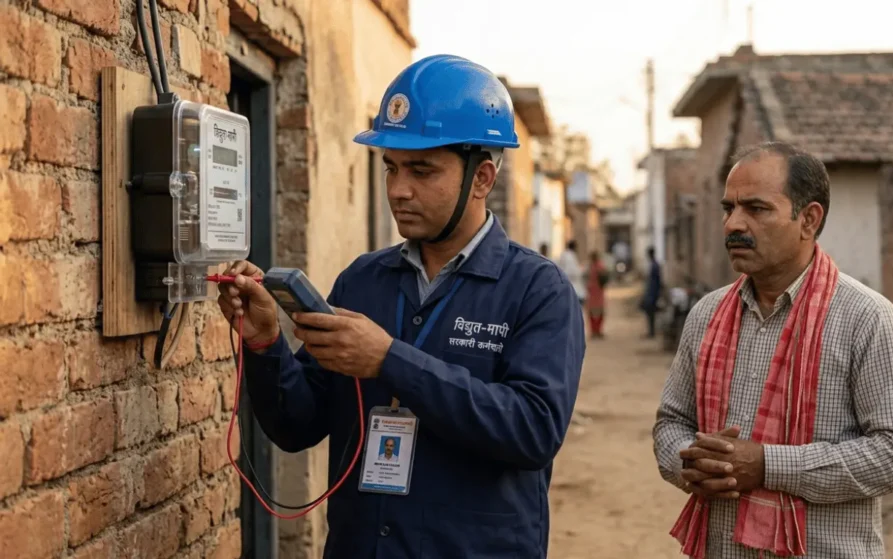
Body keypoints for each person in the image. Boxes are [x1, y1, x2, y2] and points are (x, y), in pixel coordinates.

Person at [218, 54, 586, 559]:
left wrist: (389, 360)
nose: (398, 190)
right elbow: (296, 425)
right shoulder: (362, 280)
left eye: (421, 170)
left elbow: (533, 431)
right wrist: (266, 344)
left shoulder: (538, 290)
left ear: (482, 178)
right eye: (390, 167)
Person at [652, 141, 893, 559]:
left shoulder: (868, 320)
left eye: (756, 209)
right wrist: (692, 464)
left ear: (808, 219)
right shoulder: (706, 315)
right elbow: (672, 422)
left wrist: (768, 465)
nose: (733, 224)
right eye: (729, 208)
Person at [586, 251, 609, 338]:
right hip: (596, 291)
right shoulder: (599, 266)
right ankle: (596, 331)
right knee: (597, 312)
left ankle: (596, 330)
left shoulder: (594, 266)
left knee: (595, 312)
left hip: (595, 291)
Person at [639, 246, 661, 337]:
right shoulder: (653, 264)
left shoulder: (654, 265)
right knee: (649, 313)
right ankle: (651, 331)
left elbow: (656, 281)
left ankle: (652, 332)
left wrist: (654, 294)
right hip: (651, 292)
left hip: (652, 293)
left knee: (651, 313)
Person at [557, 240, 586, 306]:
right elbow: (573, 271)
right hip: (572, 286)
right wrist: (581, 270)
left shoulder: (564, 254)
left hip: (566, 286)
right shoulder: (570, 256)